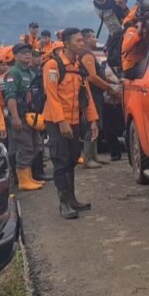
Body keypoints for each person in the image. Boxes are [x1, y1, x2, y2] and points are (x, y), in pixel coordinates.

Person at [43, 28, 99, 219]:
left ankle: (73, 199)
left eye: (83, 40)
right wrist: (61, 121)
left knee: (73, 158)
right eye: (78, 41)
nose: (82, 43)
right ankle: (64, 203)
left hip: (75, 120)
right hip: (56, 121)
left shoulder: (78, 66)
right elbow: (52, 96)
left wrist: (92, 120)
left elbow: (86, 95)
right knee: (60, 161)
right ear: (66, 43)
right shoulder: (53, 65)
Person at [3, 43, 45, 191]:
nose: (27, 55)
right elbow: (11, 97)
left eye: (29, 52)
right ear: (15, 56)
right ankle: (23, 181)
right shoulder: (14, 73)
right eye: (23, 53)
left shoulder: (32, 72)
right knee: (25, 148)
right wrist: (15, 117)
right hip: (20, 116)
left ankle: (29, 177)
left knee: (35, 146)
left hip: (32, 117)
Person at [79, 29, 116, 169]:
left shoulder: (86, 54)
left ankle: (94, 156)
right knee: (92, 124)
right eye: (93, 37)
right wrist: (109, 88)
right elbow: (92, 77)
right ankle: (88, 159)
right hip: (92, 94)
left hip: (94, 94)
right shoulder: (87, 55)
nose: (95, 40)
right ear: (86, 39)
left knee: (96, 124)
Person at [121, 15, 149, 79]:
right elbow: (126, 47)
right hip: (130, 68)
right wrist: (139, 30)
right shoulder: (131, 30)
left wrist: (145, 34)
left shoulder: (145, 31)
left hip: (140, 64)